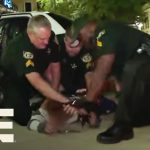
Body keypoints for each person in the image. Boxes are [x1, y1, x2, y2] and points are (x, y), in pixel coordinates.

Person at [69, 15, 150, 144]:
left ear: (87, 28)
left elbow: (101, 72)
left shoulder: (104, 31)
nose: (81, 42)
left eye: (79, 37)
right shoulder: (102, 46)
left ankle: (122, 127)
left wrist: (88, 103)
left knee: (133, 68)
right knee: (136, 115)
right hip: (142, 65)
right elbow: (117, 80)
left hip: (146, 56)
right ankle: (133, 121)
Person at [0, 15, 77, 128]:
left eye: (48, 37)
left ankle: (38, 105)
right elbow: (35, 80)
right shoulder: (20, 46)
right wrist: (64, 100)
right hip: (13, 80)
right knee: (23, 118)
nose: (46, 42)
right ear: (30, 34)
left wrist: (53, 94)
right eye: (42, 39)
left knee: (57, 95)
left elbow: (55, 67)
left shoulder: (50, 39)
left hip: (37, 75)